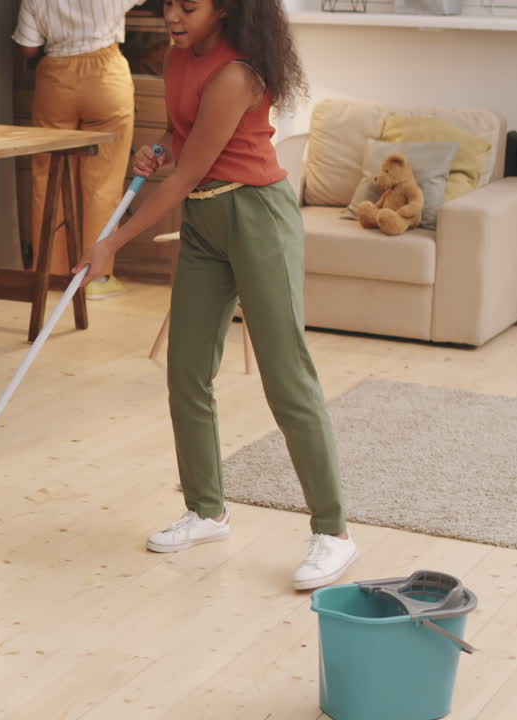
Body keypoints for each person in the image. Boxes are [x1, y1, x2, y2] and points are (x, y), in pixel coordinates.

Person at [73, 0, 356, 590]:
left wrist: (112, 243)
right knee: (187, 371)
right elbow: (182, 140)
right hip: (205, 224)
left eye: (189, 6)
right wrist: (158, 147)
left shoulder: (236, 74)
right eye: (169, 4)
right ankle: (206, 510)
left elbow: (187, 175)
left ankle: (333, 532)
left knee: (287, 377)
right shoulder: (179, 57)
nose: (173, 16)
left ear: (223, 7)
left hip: (257, 220)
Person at [13, 0, 141, 300]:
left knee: (49, 177)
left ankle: (53, 273)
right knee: (104, 182)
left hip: (56, 79)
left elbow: (28, 48)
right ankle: (97, 277)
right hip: (106, 76)